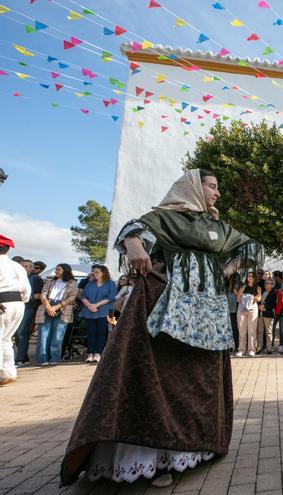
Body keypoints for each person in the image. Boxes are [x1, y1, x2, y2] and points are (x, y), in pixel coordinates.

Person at [60, 169, 263, 487]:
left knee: (197, 376)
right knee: (159, 377)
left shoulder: (217, 226)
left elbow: (250, 246)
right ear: (193, 189)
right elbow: (133, 230)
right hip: (162, 303)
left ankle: (194, 446)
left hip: (206, 312)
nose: (217, 193)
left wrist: (227, 268)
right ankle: (153, 460)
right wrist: (136, 248)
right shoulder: (164, 218)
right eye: (212, 186)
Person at [33, 264, 78, 366]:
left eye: (58, 269)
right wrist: (48, 307)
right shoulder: (50, 281)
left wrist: (56, 307)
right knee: (43, 335)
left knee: (58, 335)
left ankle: (55, 358)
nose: (56, 271)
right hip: (47, 306)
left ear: (65, 271)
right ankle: (42, 359)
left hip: (63, 309)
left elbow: (72, 297)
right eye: (56, 269)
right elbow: (43, 294)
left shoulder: (72, 283)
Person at [0, 235, 30, 386]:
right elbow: (26, 290)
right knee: (5, 339)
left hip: (2, 302)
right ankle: (8, 372)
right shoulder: (17, 266)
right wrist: (20, 302)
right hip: (18, 303)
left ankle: (4, 371)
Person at [79, 265, 116, 363]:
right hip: (89, 311)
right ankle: (90, 353)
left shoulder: (111, 283)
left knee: (101, 333)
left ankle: (98, 353)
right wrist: (90, 306)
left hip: (104, 311)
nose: (94, 274)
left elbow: (111, 297)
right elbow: (83, 296)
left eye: (97, 272)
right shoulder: (90, 284)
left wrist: (96, 305)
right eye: (93, 272)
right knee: (91, 333)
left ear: (103, 273)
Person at [14, 259, 43, 367]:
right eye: (22, 266)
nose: (24, 268)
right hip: (15, 306)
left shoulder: (36, 279)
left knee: (22, 333)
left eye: (27, 266)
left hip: (28, 308)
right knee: (16, 334)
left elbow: (40, 295)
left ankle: (20, 358)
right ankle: (23, 356)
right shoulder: (16, 277)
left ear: (32, 268)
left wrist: (25, 297)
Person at [236, 272, 261, 357]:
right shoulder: (243, 286)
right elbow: (238, 297)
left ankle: (251, 349)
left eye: (251, 276)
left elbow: (259, 298)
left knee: (252, 330)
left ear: (254, 278)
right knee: (242, 329)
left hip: (252, 308)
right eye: (248, 276)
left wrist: (251, 297)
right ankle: (241, 350)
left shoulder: (257, 287)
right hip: (242, 308)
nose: (249, 278)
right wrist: (243, 298)